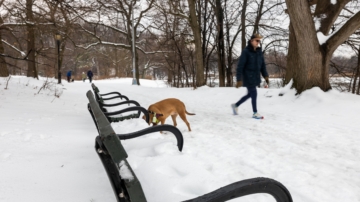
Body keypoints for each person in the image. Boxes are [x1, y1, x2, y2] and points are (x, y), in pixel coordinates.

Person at [231, 33, 269, 119]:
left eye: (259, 41)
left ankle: (236, 105)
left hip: (255, 76)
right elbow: (240, 66)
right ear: (251, 40)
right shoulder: (246, 52)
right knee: (254, 93)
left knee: (250, 94)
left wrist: (265, 76)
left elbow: (262, 65)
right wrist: (239, 79)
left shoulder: (259, 52)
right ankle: (255, 113)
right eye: (257, 40)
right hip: (248, 76)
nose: (258, 42)